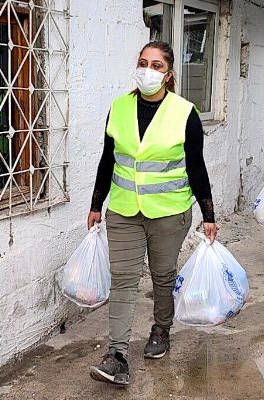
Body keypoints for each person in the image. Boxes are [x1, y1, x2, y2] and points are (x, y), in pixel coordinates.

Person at [86, 41, 218, 386]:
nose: (148, 69)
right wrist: (96, 204)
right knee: (124, 280)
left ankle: (161, 328)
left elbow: (196, 166)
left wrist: (209, 214)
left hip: (169, 212)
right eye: (143, 62)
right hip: (124, 210)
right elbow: (107, 160)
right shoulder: (118, 108)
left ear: (168, 74)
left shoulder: (184, 112)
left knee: (162, 275)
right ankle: (116, 355)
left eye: (157, 65)